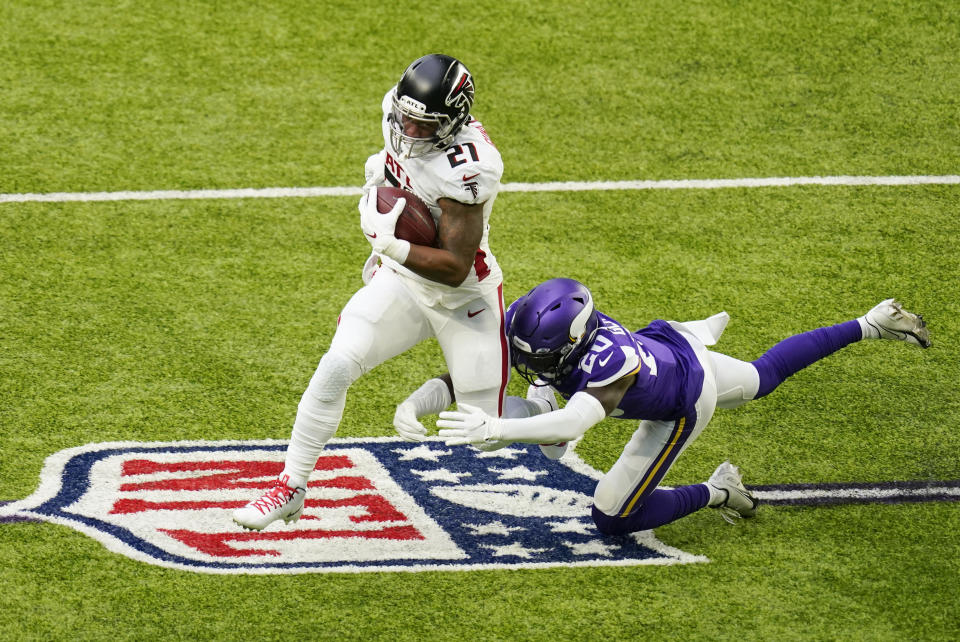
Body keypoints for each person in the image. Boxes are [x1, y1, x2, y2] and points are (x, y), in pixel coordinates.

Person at [402, 277, 931, 535]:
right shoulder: (544, 326)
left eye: (541, 359)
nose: (524, 361)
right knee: (762, 376)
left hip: (681, 398)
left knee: (611, 516)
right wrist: (425, 397)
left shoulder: (609, 362)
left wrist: (497, 425)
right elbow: (483, 368)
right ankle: (871, 322)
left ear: (572, 344)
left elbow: (578, 418)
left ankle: (719, 490)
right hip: (670, 346)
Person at [233, 53, 507, 531]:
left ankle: (542, 399)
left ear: (454, 121)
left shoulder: (468, 169)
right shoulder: (397, 111)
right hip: (402, 283)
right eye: (407, 117)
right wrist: (379, 178)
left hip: (463, 295)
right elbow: (394, 163)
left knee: (487, 433)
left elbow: (455, 265)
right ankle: (290, 485)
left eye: (425, 125)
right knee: (336, 365)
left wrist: (390, 244)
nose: (410, 129)